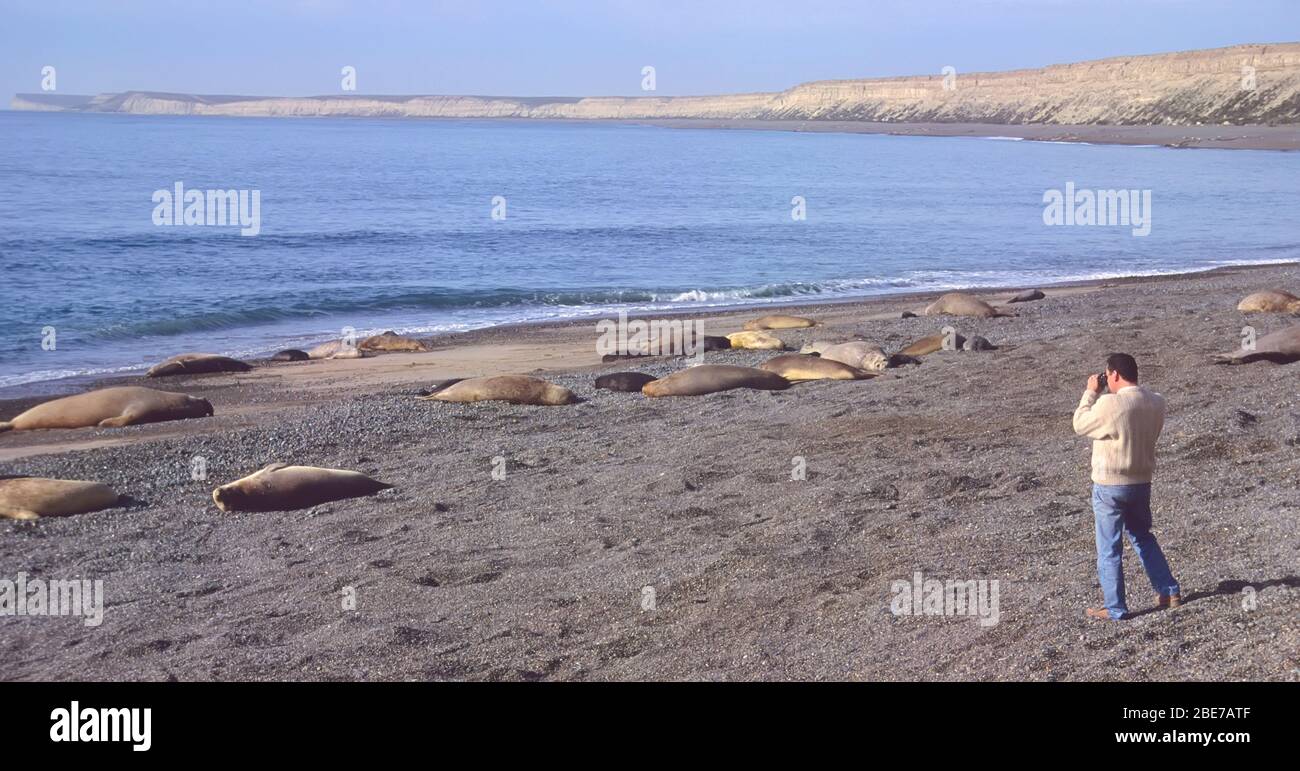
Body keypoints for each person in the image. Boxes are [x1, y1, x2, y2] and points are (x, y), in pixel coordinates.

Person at [1072, 353, 1180, 620]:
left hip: (1110, 484)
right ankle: (1169, 590)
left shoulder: (1110, 403)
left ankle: (1115, 607)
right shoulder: (1157, 401)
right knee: (1143, 537)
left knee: (1109, 548)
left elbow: (1079, 424)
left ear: (1115, 375)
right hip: (1141, 481)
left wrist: (1090, 392)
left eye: (1107, 375)